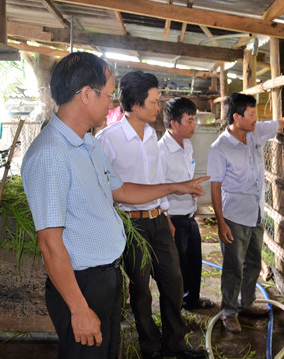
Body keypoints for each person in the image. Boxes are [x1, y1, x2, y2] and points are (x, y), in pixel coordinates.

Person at [21, 52, 208, 359]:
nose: (111, 103)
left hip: (106, 275)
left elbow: (120, 190)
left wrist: (175, 187)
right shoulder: (50, 154)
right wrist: (79, 309)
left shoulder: (89, 144)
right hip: (81, 284)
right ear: (85, 95)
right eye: (107, 94)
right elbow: (50, 244)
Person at [96, 72, 207, 359]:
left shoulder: (150, 135)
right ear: (134, 103)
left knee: (173, 283)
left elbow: (157, 179)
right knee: (141, 290)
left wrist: (166, 216)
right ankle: (150, 347)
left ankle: (175, 344)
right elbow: (104, 189)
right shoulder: (108, 139)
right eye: (154, 102)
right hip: (131, 225)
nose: (158, 107)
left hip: (158, 219)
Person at [208, 92, 284, 333]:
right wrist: (221, 223)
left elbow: (283, 122)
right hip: (233, 216)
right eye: (252, 114)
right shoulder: (219, 148)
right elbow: (215, 187)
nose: (256, 118)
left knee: (253, 262)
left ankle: (246, 303)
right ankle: (228, 312)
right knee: (233, 266)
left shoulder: (255, 132)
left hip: (255, 214)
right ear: (236, 117)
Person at [158, 97, 215, 311]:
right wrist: (167, 219)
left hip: (190, 215)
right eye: (189, 120)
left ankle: (192, 300)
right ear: (174, 124)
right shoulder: (161, 152)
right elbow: (158, 187)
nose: (194, 125)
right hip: (173, 218)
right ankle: (175, 307)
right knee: (176, 267)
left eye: (194, 120)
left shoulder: (187, 145)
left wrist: (192, 191)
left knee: (194, 262)